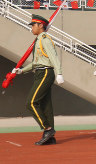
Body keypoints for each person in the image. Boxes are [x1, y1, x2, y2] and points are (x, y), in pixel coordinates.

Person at [11, 14, 64, 145]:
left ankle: (47, 129)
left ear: (41, 26)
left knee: (31, 102)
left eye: (33, 25)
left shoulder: (45, 39)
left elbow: (53, 56)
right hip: (40, 72)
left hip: (46, 72)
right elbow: (36, 62)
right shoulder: (38, 39)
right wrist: (22, 70)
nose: (31, 28)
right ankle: (50, 138)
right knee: (46, 106)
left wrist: (59, 73)